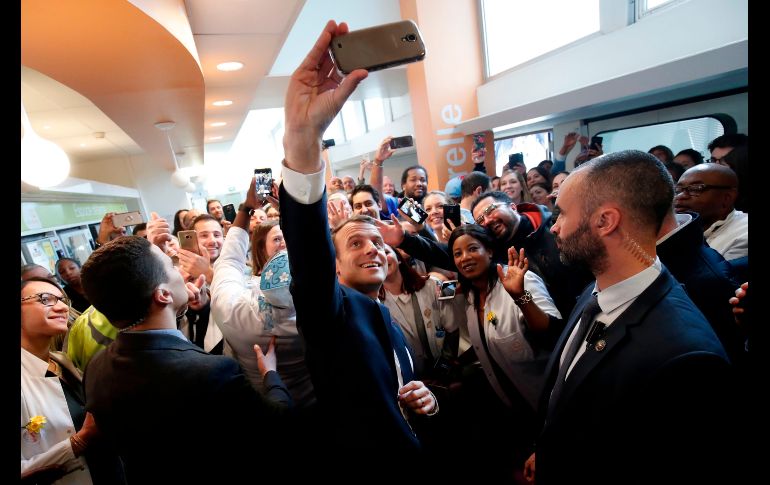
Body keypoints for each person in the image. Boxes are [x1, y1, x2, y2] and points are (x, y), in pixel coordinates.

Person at [278, 20, 437, 478]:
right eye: (354, 243)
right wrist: (302, 143)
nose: (373, 249)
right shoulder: (331, 310)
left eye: (377, 241)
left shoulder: (380, 309)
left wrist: (424, 399)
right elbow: (309, 257)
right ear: (336, 266)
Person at [526, 150, 739, 484]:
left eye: (563, 214)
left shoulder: (686, 355)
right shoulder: (597, 288)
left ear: (605, 221)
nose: (555, 227)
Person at [81, 236, 293, 483]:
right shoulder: (212, 373)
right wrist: (270, 375)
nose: (179, 272)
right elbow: (280, 425)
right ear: (162, 294)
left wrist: (188, 311)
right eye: (171, 267)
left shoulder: (95, 368)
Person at [211, 198, 315, 407]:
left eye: (289, 237)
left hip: (265, 407)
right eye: (277, 239)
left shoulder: (237, 310)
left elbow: (229, 261)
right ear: (260, 249)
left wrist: (246, 208)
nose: (286, 244)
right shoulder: (321, 313)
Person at [21, 277, 124, 484]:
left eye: (62, 300)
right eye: (45, 299)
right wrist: (78, 441)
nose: (61, 308)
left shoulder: (63, 362)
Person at [674, 163, 747, 261]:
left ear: (727, 198)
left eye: (696, 189)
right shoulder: (676, 228)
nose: (680, 196)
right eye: (678, 190)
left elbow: (717, 275)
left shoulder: (744, 233)